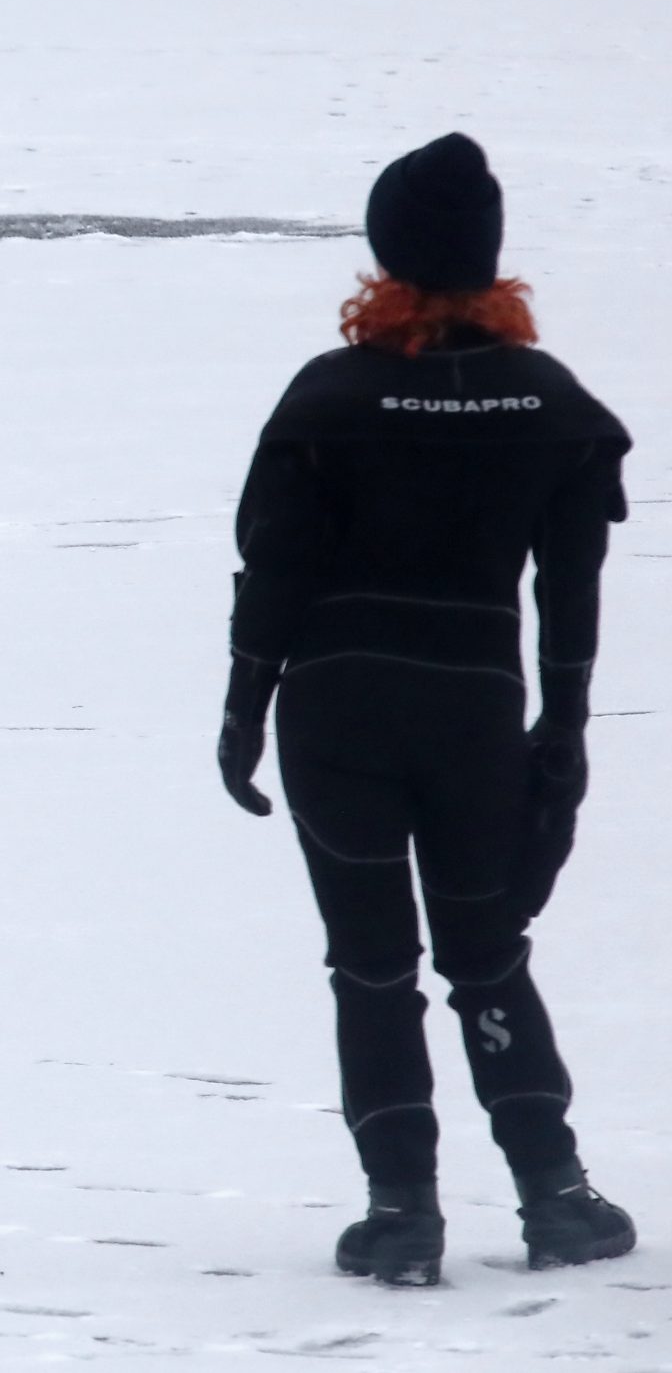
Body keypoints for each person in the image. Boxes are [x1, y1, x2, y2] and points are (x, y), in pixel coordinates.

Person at [216, 134, 636, 1287]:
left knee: (370, 967)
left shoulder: (328, 396)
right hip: (472, 709)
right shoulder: (550, 404)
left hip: (338, 707)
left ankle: (400, 1211)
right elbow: (569, 592)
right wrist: (563, 730)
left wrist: (244, 703)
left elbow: (276, 565)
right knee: (487, 953)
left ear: (383, 251)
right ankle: (554, 1194)